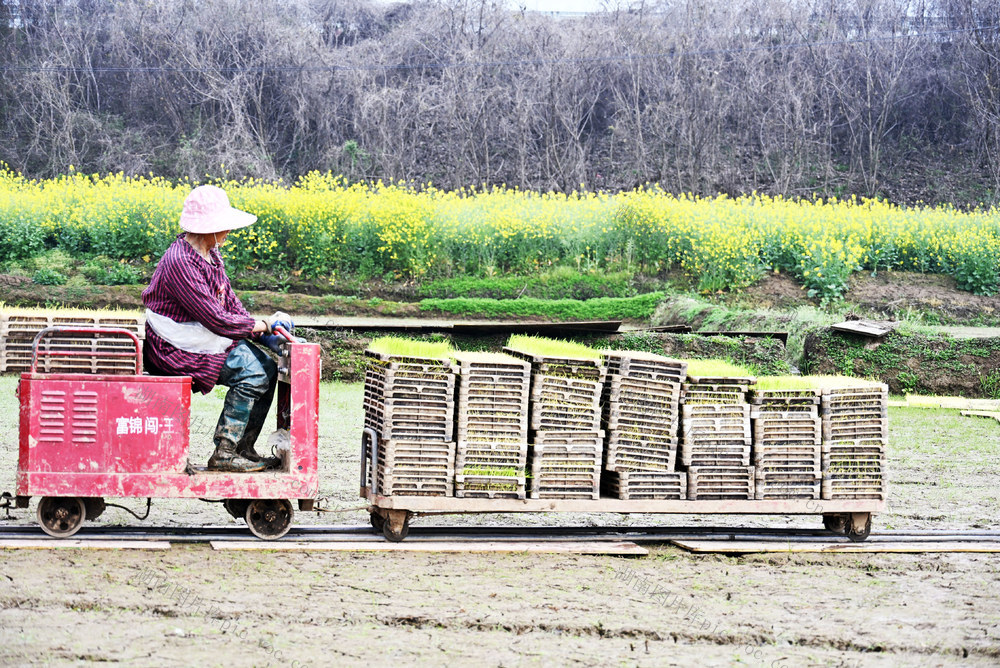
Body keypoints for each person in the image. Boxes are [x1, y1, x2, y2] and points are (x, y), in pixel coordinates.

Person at [142, 184, 291, 473]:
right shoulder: (181, 262)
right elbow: (216, 319)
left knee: (268, 368)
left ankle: (241, 448)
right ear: (207, 227)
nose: (228, 232)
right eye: (223, 226)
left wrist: (258, 329)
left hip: (198, 336)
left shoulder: (209, 253)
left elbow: (229, 301)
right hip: (175, 345)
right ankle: (224, 452)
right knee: (254, 373)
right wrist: (261, 324)